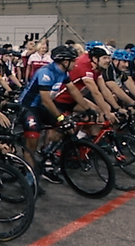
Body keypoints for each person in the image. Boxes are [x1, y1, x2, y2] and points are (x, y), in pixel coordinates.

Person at [19, 45, 96, 183]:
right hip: (29, 107)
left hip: (42, 107)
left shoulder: (63, 73)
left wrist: (87, 108)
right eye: (73, 61)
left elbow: (73, 91)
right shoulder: (46, 73)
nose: (75, 63)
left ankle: (47, 157)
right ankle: (28, 179)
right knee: (32, 141)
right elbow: (46, 101)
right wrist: (61, 117)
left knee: (67, 128)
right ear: (64, 62)